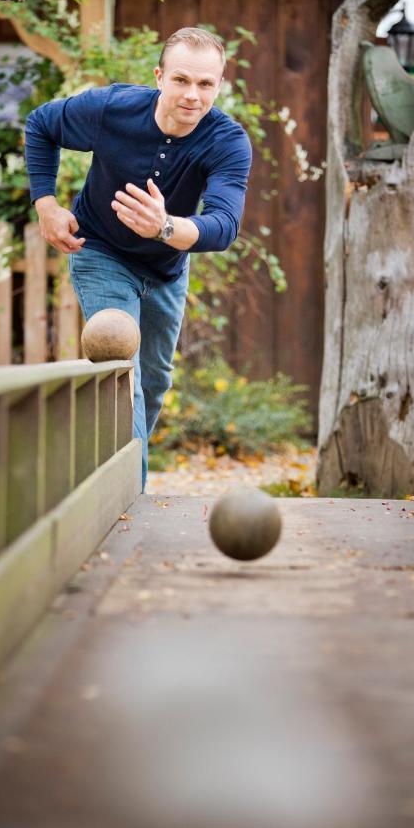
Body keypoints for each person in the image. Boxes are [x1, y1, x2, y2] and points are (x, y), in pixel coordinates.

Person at [25, 27, 253, 490]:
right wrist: (46, 204)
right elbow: (40, 126)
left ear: (219, 85)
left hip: (167, 270)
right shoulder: (111, 109)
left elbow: (224, 225)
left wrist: (165, 227)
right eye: (181, 80)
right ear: (159, 77)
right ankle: (128, 502)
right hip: (101, 253)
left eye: (206, 84)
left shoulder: (227, 141)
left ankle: (106, 474)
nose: (192, 95)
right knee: (123, 379)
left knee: (152, 383)